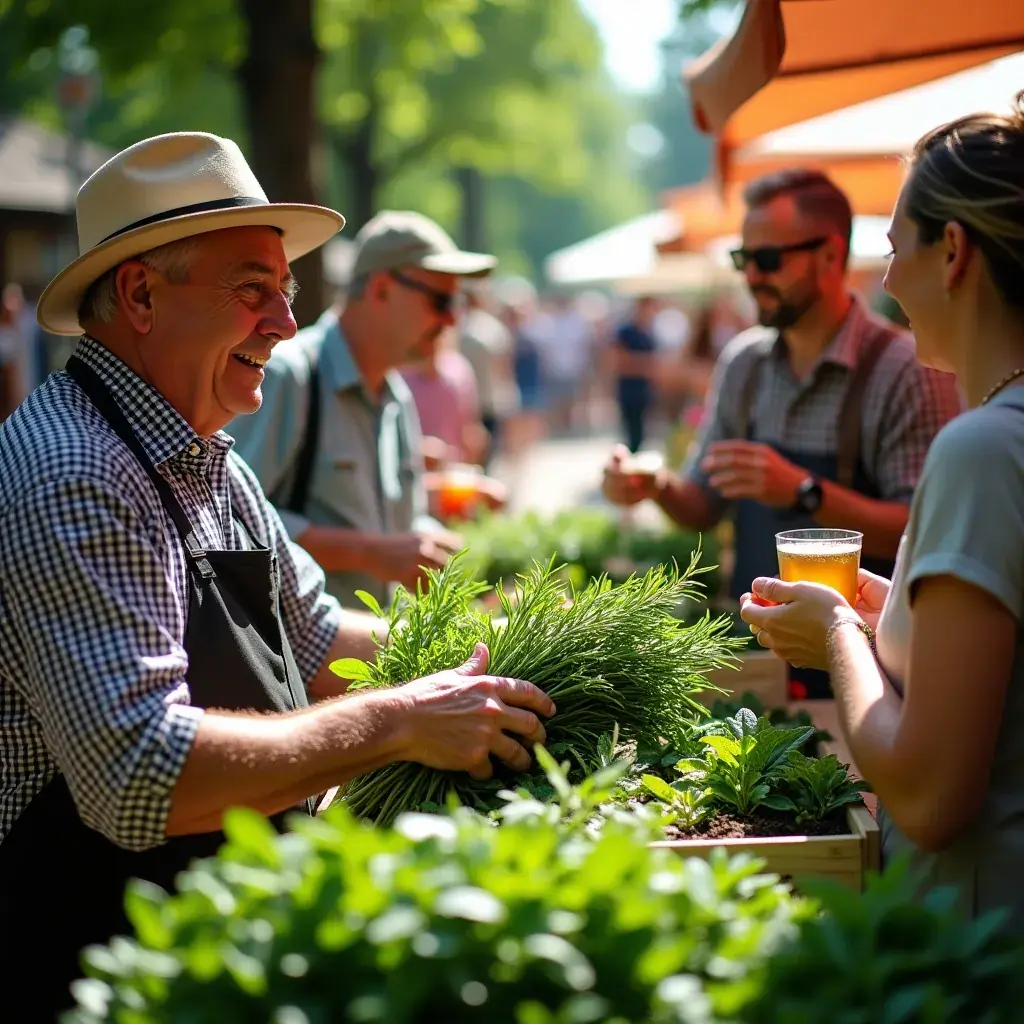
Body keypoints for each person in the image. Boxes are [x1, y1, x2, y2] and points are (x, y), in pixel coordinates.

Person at [0, 133, 555, 1019]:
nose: (287, 324)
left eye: (287, 295)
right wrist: (399, 720)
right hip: (96, 976)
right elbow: (141, 772)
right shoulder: (76, 472)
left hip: (203, 949)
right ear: (140, 293)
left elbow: (317, 636)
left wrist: (513, 648)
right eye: (253, 292)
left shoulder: (206, 452)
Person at [739, 94, 1024, 931]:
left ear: (954, 251)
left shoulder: (981, 450)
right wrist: (886, 607)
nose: (888, 279)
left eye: (897, 248)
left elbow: (931, 796)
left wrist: (836, 635)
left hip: (981, 944)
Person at [602, 168, 964, 698]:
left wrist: (803, 491)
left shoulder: (903, 369)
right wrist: (655, 484)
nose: (751, 276)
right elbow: (703, 506)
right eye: (742, 259)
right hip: (759, 657)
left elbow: (921, 532)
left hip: (871, 666)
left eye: (768, 260)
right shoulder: (743, 362)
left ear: (828, 254)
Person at [228, 210, 498, 607]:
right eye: (441, 300)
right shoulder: (290, 375)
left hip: (373, 655)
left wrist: (431, 545)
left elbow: (398, 526)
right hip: (295, 662)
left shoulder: (396, 395)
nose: (452, 318)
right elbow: (228, 523)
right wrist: (368, 552)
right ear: (382, 289)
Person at [459, 282, 520, 468]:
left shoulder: (458, 327)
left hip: (466, 402)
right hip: (488, 400)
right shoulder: (492, 328)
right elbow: (505, 368)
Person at [613, 295, 660, 454]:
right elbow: (617, 360)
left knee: (640, 434)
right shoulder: (626, 331)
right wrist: (645, 364)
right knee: (632, 434)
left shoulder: (648, 333)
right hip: (629, 391)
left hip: (644, 391)